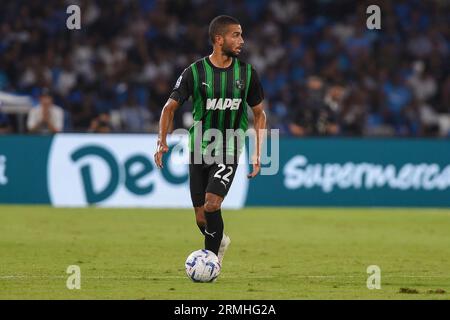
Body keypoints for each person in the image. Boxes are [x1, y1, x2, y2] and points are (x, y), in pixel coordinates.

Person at [154, 15, 266, 266]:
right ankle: (220, 240)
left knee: (212, 204)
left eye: (241, 35)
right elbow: (168, 108)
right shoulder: (194, 72)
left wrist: (258, 153)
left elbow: (259, 114)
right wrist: (161, 141)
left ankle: (210, 262)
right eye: (235, 35)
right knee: (201, 217)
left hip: (229, 147)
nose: (242, 41)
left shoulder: (247, 74)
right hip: (198, 148)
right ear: (219, 39)